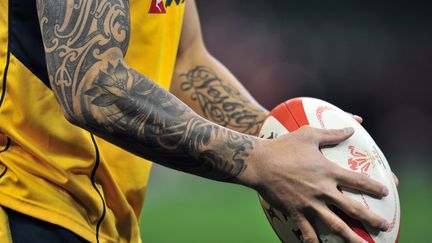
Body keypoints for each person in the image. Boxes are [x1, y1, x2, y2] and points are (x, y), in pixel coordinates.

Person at [0, 0, 394, 242]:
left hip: (97, 218)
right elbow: (91, 84)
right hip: (23, 200)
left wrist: (299, 147)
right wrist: (259, 161)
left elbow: (186, 61)